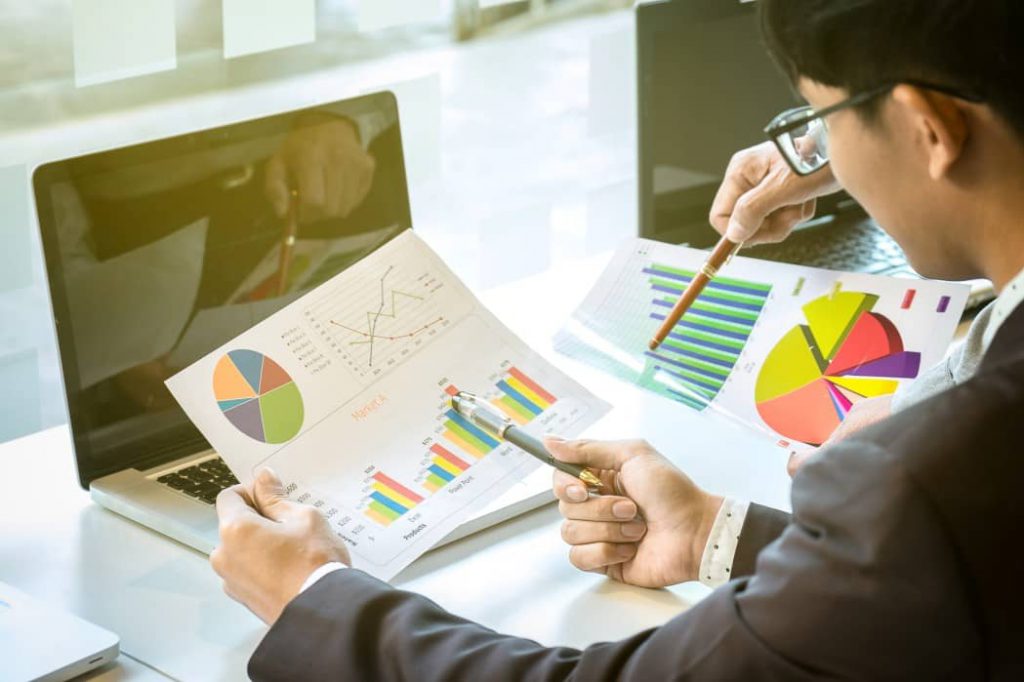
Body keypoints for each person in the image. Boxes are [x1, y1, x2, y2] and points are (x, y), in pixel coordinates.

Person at [212, 0, 1024, 678]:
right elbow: (948, 589)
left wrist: (314, 597)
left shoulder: (937, 469)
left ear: (929, 127)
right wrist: (715, 533)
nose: (818, 161)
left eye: (818, 122)